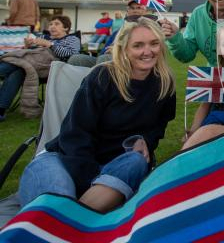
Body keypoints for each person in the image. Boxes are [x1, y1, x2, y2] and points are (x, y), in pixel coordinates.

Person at [18, 18, 176, 212]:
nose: (147, 51)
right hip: (64, 158)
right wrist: (87, 182)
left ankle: (72, 220)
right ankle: (74, 218)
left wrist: (146, 140)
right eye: (138, 45)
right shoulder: (103, 77)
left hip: (117, 166)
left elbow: (158, 128)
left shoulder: (165, 85)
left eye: (154, 44)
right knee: (53, 207)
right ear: (124, 48)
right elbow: (75, 134)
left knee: (136, 160)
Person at [0, 15, 80, 121]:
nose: (52, 26)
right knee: (18, 71)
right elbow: (30, 54)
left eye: (56, 24)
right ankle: (0, 110)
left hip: (50, 69)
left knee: (16, 65)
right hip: (28, 66)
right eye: (51, 24)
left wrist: (50, 45)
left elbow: (71, 54)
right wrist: (27, 46)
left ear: (66, 28)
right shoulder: (42, 37)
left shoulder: (72, 39)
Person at [68, 0, 151, 67]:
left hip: (128, 61)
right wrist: (107, 51)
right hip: (107, 58)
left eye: (138, 7)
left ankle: (96, 86)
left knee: (105, 59)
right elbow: (103, 52)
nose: (135, 10)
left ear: (144, 11)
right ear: (127, 11)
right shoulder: (117, 32)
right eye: (132, 8)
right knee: (76, 59)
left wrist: (117, 51)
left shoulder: (148, 29)